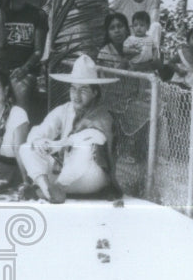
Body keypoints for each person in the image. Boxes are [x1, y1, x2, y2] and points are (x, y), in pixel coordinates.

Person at [18, 54, 122, 203]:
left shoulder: (102, 113)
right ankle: (48, 191)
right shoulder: (65, 109)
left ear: (95, 92)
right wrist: (40, 141)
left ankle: (56, 188)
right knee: (26, 148)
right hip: (65, 171)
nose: (76, 96)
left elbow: (95, 136)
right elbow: (38, 132)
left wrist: (59, 144)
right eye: (73, 89)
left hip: (90, 176)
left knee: (84, 146)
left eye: (83, 90)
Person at [0, 0, 49, 111]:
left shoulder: (38, 15)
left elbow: (38, 51)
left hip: (24, 68)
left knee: (20, 104)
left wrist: (25, 68)